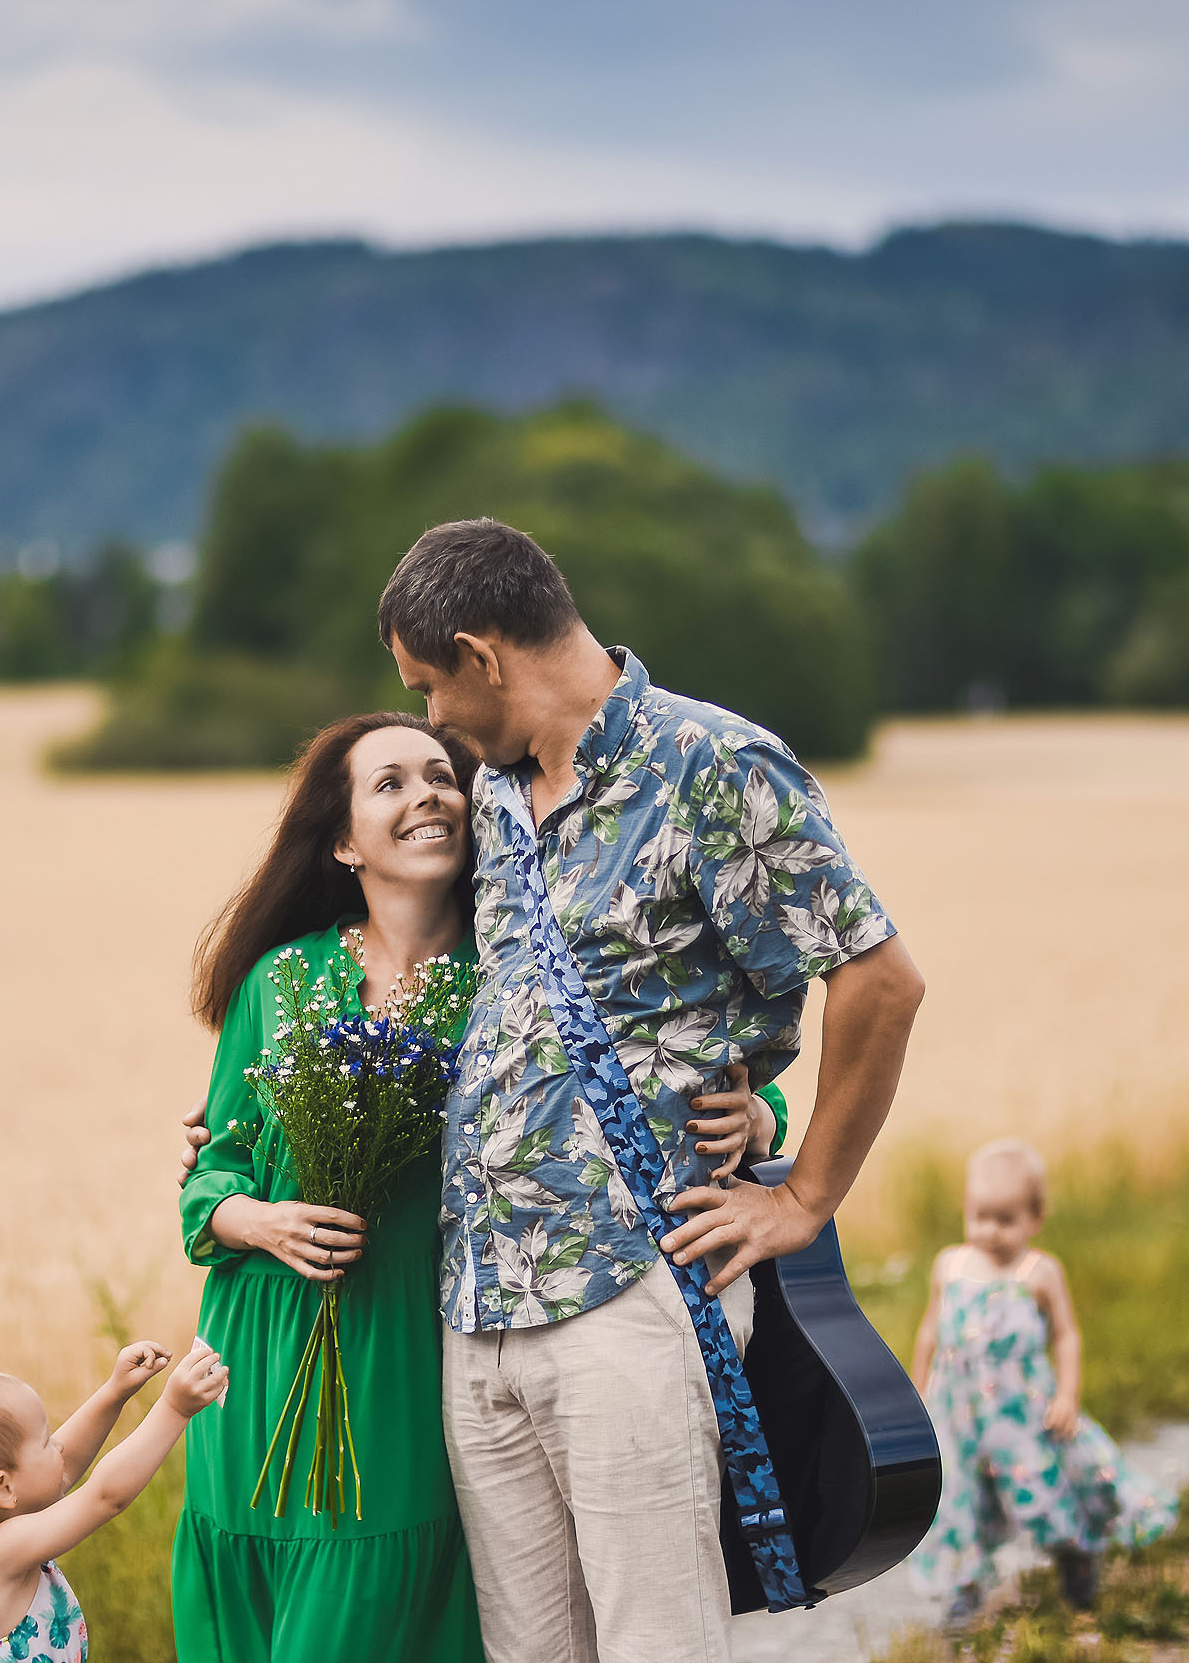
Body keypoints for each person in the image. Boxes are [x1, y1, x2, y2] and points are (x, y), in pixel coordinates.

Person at [374, 519, 926, 1663]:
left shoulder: (710, 765)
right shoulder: (496, 802)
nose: (429, 720)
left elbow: (877, 977)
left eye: (426, 686)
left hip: (629, 1289)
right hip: (480, 1308)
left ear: (481, 655)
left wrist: (804, 1191)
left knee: (654, 1643)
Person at [171, 710, 788, 1662]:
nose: (427, 794)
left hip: (414, 1356)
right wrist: (258, 1216)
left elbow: (677, 1065)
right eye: (390, 783)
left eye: (441, 775)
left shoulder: (510, 971)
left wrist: (758, 1119)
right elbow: (212, 1174)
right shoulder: (279, 979)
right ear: (340, 841)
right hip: (262, 1352)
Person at [907, 1138, 1175, 1626]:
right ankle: (963, 1586)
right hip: (957, 1411)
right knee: (957, 1496)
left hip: (1020, 1411)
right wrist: (918, 1392)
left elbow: (1067, 1336)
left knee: (1040, 1485)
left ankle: (1075, 1553)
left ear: (1036, 1218)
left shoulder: (1039, 1272)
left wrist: (1068, 1396)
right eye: (980, 1216)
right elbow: (930, 1332)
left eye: (1006, 1220)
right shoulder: (949, 1265)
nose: (990, 1231)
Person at [0, 1339, 230, 1663]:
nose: (60, 1447)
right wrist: (173, 1409)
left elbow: (59, 1472)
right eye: (45, 1442)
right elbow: (104, 1498)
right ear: (4, 1487)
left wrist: (115, 1391)